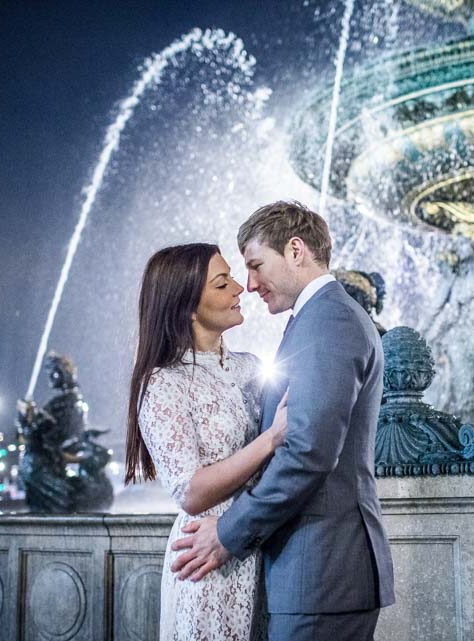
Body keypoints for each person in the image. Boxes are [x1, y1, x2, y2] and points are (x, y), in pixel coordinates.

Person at [170, 201, 395, 641]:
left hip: (320, 573)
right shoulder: (320, 318)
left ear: (296, 250)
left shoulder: (328, 320)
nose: (249, 284)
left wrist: (228, 534)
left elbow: (308, 452)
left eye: (256, 265)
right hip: (317, 573)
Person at [125, 243, 289, 641]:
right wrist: (269, 440)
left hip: (262, 544)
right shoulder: (164, 383)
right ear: (188, 308)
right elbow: (190, 492)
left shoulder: (251, 367)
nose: (240, 288)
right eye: (222, 283)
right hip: (208, 559)